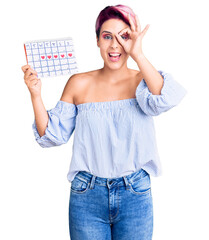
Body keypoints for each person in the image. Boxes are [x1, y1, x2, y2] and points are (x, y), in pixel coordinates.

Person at [21, 4, 187, 240]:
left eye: (124, 36)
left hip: (135, 193)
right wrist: (36, 95)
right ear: (97, 40)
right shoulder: (79, 83)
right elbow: (52, 135)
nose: (114, 45)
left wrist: (138, 54)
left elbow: (166, 98)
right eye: (107, 36)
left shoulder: (144, 80)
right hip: (87, 194)